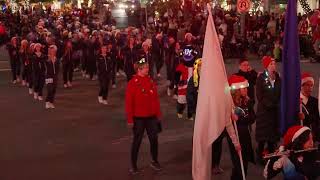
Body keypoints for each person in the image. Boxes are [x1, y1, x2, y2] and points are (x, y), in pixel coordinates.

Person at [125, 58, 162, 174]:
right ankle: (133, 165)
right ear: (139, 70)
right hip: (139, 118)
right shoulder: (132, 83)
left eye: (147, 67)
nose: (148, 69)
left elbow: (155, 99)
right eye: (146, 68)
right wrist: (130, 119)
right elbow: (129, 103)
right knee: (137, 141)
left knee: (154, 140)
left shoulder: (150, 81)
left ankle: (154, 160)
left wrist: (158, 116)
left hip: (151, 117)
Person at [228, 75, 256, 180]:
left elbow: (253, 118)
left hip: (245, 136)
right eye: (244, 88)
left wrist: (239, 119)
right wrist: (232, 119)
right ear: (238, 90)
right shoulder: (231, 105)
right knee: (239, 165)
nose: (246, 90)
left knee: (244, 164)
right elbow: (227, 124)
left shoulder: (247, 101)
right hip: (235, 137)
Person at [256, 56, 281, 164]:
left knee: (272, 137)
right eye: (271, 64)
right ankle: (259, 156)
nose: (273, 66)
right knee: (262, 137)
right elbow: (259, 95)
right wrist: (269, 105)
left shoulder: (278, 77)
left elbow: (281, 92)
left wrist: (278, 104)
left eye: (274, 63)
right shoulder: (261, 78)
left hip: (274, 112)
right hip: (264, 112)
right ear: (266, 66)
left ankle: (271, 158)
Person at [299, 72, 320, 142]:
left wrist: (306, 117)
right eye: (307, 85)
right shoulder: (296, 101)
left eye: (311, 86)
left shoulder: (315, 101)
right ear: (301, 86)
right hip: (299, 135)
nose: (310, 88)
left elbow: (316, 118)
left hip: (312, 135)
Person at [45, 45, 60, 109]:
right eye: (51, 51)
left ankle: (51, 102)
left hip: (55, 76)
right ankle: (47, 102)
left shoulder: (57, 59)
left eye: (54, 51)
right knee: (50, 90)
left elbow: (58, 68)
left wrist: (56, 75)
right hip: (48, 76)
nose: (52, 52)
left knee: (54, 90)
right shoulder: (47, 58)